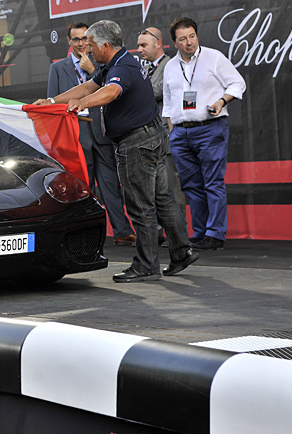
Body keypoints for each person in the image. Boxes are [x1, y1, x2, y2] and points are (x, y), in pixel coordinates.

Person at [38, 19, 198, 283]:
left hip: (137, 142)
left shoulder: (122, 67)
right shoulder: (116, 63)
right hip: (151, 136)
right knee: (162, 199)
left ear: (105, 45)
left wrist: (82, 104)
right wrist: (54, 101)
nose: (87, 50)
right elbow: (90, 85)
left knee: (140, 205)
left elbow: (110, 92)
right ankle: (182, 252)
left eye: (90, 46)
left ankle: (146, 266)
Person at [162, 17, 247, 251]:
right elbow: (168, 104)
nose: (189, 42)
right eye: (183, 39)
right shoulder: (171, 66)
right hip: (180, 132)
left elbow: (237, 83)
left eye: (192, 36)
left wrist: (222, 101)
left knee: (212, 182)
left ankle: (216, 233)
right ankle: (199, 233)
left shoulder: (214, 57)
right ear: (174, 43)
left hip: (209, 128)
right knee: (190, 186)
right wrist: (173, 133)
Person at [48, 21, 135, 246]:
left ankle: (122, 231)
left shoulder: (101, 65)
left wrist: (92, 71)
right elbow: (54, 106)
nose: (81, 44)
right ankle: (81, 236)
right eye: (76, 39)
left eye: (84, 39)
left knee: (110, 186)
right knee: (81, 190)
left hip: (102, 134)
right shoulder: (57, 69)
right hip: (76, 138)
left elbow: (109, 88)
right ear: (69, 42)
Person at [136, 26, 186, 242]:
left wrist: (135, 89)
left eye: (143, 45)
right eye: (138, 45)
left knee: (171, 190)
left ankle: (178, 236)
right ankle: (156, 234)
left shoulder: (171, 66)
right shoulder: (147, 69)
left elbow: (154, 92)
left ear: (158, 43)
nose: (139, 50)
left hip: (165, 137)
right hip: (149, 138)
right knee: (152, 190)